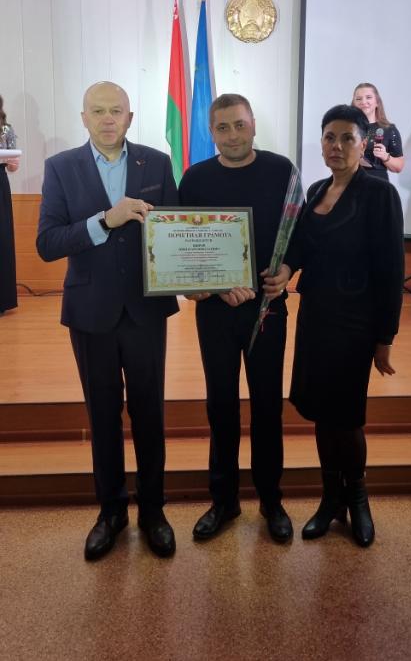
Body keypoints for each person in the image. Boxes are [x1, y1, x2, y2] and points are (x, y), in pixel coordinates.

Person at [37, 81, 179, 561]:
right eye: (97, 111)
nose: (107, 119)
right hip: (90, 312)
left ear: (129, 117)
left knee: (150, 415)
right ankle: (111, 512)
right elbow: (47, 243)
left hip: (145, 311)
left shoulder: (156, 162)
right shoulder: (61, 167)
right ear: (84, 118)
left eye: (116, 110)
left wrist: (200, 277)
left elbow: (175, 231)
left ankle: (153, 511)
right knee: (102, 416)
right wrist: (105, 220)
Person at [267, 104, 404, 547]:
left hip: (355, 324)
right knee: (322, 413)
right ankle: (330, 501)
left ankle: (358, 500)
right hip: (316, 320)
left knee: (346, 417)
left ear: (363, 144)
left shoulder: (379, 194)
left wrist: (385, 338)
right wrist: (286, 269)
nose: (337, 146)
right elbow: (303, 246)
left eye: (348, 138)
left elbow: (391, 270)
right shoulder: (317, 189)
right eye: (330, 137)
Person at [178, 94, 295, 544]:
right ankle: (223, 501)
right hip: (215, 312)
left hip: (267, 309)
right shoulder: (195, 178)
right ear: (211, 132)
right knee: (220, 406)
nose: (232, 135)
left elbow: (300, 233)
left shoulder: (282, 171)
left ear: (253, 125)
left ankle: (271, 500)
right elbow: (182, 242)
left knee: (267, 407)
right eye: (222, 127)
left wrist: (289, 269)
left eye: (239, 125)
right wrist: (205, 284)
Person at [352, 82, 404, 179]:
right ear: (354, 104)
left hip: (378, 183)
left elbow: (399, 167)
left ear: (377, 102)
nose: (363, 102)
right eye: (358, 99)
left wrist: (385, 156)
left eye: (368, 97)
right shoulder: (346, 128)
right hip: (350, 182)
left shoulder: (389, 129)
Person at [0, 96, 20, 315]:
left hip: (0, 183)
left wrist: (12, 162)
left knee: (1, 237)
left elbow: (14, 166)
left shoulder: (6, 129)